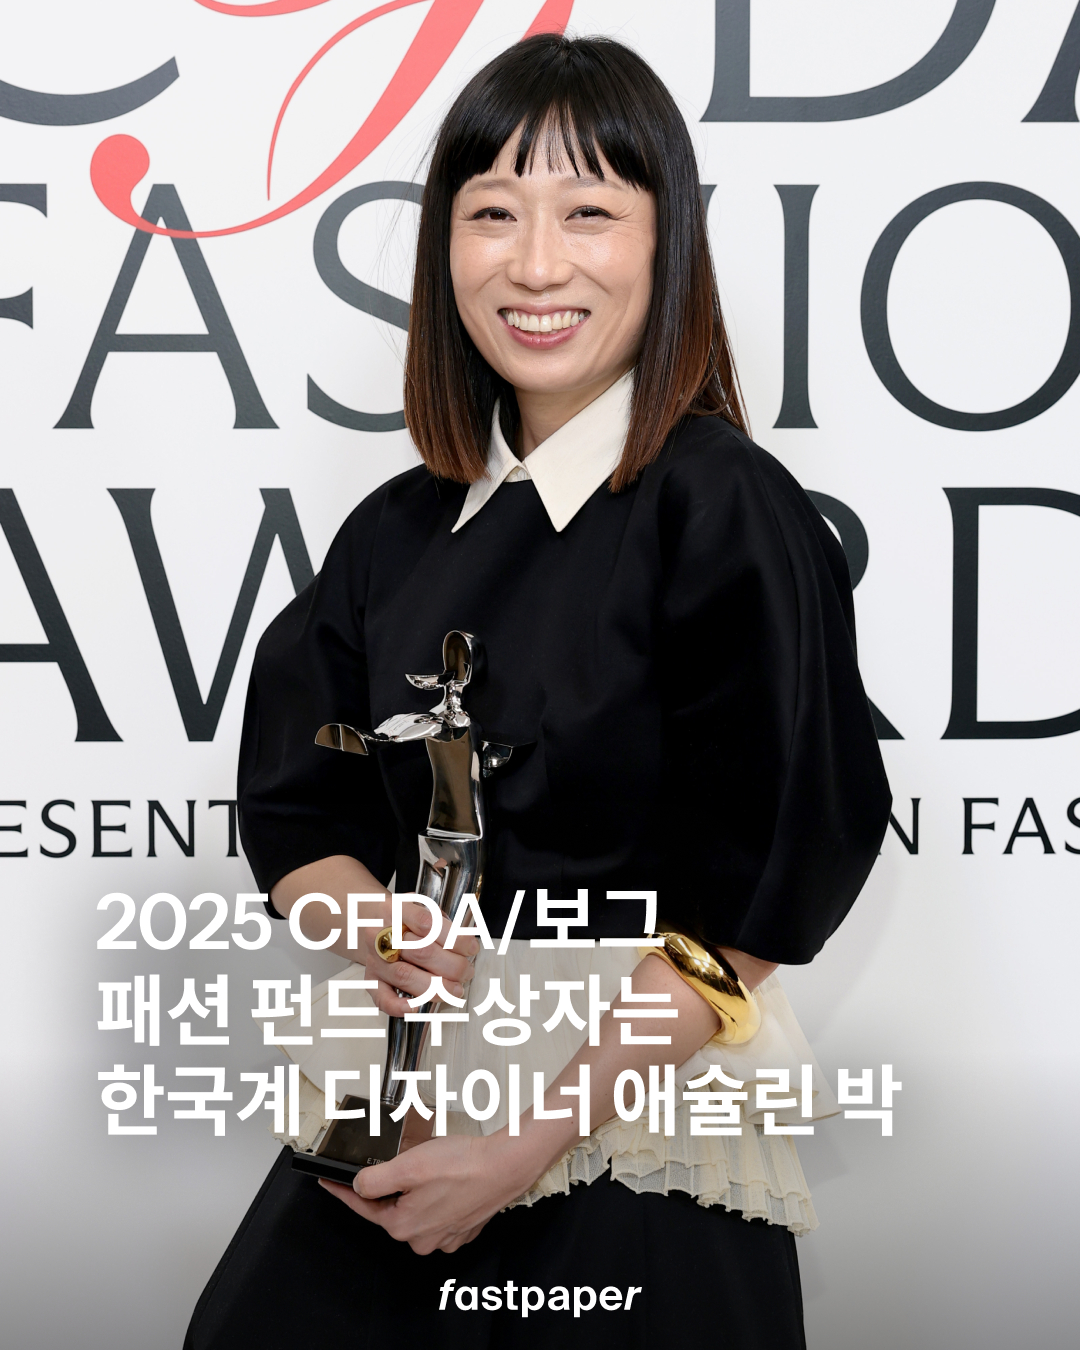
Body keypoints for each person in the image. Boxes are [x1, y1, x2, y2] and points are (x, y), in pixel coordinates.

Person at [184, 33, 891, 1350]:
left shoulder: (721, 505)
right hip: (405, 1122)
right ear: (444, 247)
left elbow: (764, 885)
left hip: (622, 1131)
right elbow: (294, 810)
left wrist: (524, 1143)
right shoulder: (397, 532)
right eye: (493, 214)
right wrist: (374, 925)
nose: (537, 264)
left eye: (590, 214)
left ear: (667, 244)